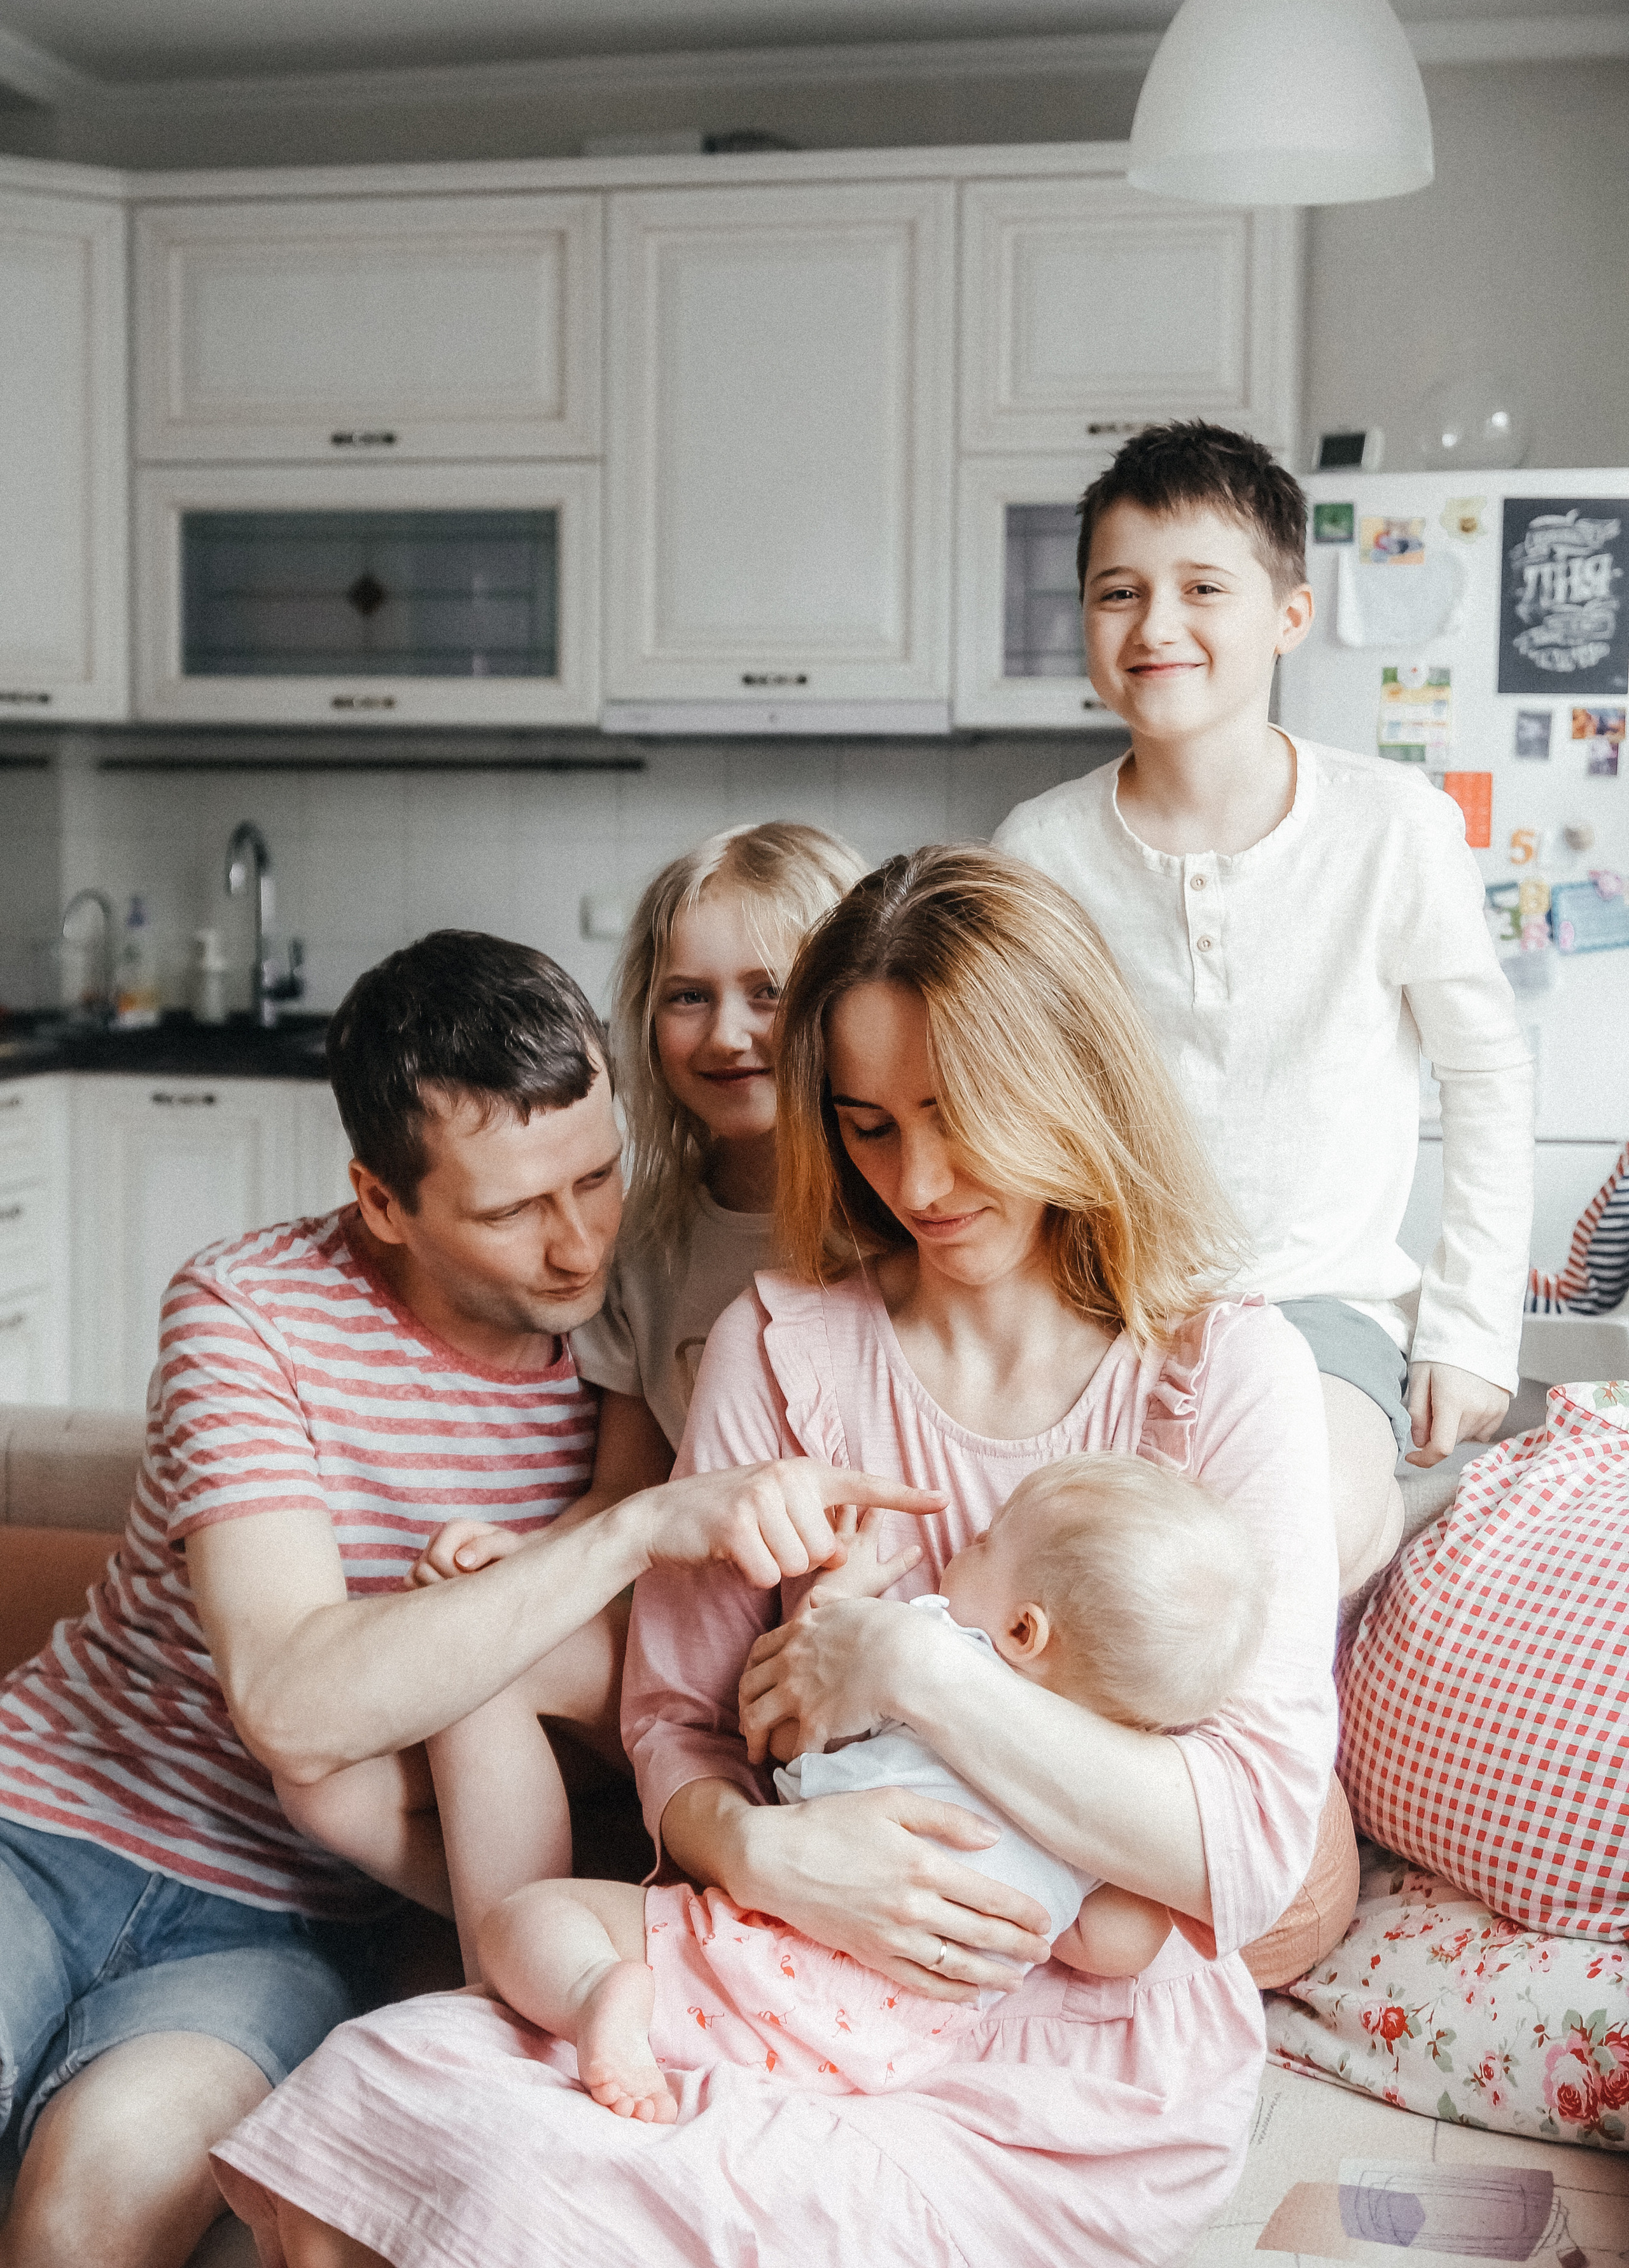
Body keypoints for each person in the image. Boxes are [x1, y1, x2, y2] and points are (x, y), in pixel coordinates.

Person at [211, 848, 1339, 2268]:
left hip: (1061, 2072)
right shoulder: (782, 1342)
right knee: (363, 2120)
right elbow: (669, 1721)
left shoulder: (1222, 1374)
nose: (917, 1182)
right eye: (867, 1127)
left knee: (527, 2210)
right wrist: (759, 1848)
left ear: (1068, 1080)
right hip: (768, 1966)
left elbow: (1240, 1843)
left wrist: (906, 1669)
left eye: (955, 1117)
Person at [0, 927, 942, 2268]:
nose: (576, 1249)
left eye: (599, 1178)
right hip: (43, 1823)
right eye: (510, 1211)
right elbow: (293, 1699)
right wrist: (631, 1531)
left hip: (286, 1920)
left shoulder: (642, 1363)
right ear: (381, 1201)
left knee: (93, 2197)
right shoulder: (249, 1307)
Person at [992, 421, 1534, 1592]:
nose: (1156, 627)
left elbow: (1486, 1079)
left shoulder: (1393, 826)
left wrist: (1467, 1329)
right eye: (1118, 592)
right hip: (1104, 1315)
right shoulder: (1037, 849)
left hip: (1316, 1310)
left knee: (1277, 1559)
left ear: (1288, 615)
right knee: (1076, 1586)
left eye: (1202, 589)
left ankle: (1389, 1515)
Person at [473, 1453, 1269, 2122]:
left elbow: (783, 1742)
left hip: (764, 1954)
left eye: (985, 1541)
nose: (963, 1545)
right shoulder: (1105, 1802)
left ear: (1023, 1632)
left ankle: (596, 1997)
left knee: (531, 1916)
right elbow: (1110, 1947)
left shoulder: (932, 1644)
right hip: (884, 2051)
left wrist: (833, 1605)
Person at [572, 821, 867, 1458]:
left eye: (770, 991)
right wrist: (518, 1551)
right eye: (688, 997)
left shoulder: (912, 1222)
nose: (726, 1036)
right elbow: (627, 1495)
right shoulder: (638, 1249)